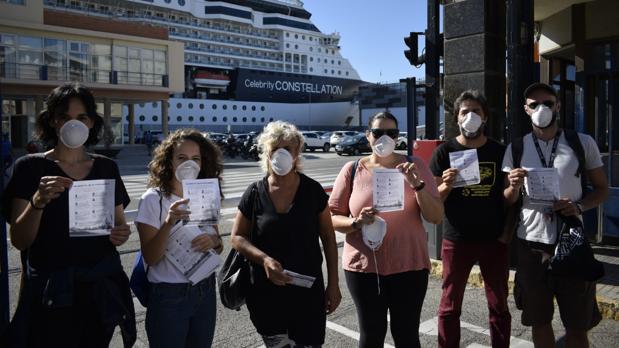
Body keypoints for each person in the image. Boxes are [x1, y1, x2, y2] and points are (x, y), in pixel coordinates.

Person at [1, 83, 135, 347]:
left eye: (81, 117)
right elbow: (19, 240)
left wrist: (121, 233)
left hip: (99, 291)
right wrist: (38, 202)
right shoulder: (29, 167)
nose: (73, 124)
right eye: (64, 117)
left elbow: (120, 224)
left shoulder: (106, 167)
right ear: (52, 121)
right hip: (51, 294)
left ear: (92, 122)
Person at [503, 82, 609, 347]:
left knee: (577, 324)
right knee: (539, 321)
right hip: (530, 244)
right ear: (526, 110)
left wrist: (580, 206)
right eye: (534, 104)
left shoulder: (581, 142)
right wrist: (513, 186)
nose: (542, 109)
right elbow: (508, 199)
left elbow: (602, 189)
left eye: (547, 103)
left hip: (570, 242)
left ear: (558, 107)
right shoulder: (516, 148)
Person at [329, 111, 444, 348]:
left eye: (391, 133)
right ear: (367, 136)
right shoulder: (352, 170)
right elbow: (331, 217)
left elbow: (435, 217)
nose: (385, 138)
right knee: (371, 336)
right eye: (378, 132)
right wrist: (355, 223)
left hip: (409, 266)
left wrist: (418, 186)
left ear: (397, 136)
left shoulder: (416, 165)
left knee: (407, 336)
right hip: (365, 268)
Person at [230, 121, 341, 347]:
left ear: (297, 152)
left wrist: (334, 285)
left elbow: (329, 238)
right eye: (275, 149)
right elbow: (237, 237)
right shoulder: (254, 192)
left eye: (287, 149)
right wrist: (265, 260)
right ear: (266, 154)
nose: (281, 155)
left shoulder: (312, 191)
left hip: (307, 294)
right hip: (265, 294)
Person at [429, 90, 511, 348]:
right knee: (450, 305)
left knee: (499, 304)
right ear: (457, 118)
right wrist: (446, 185)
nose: (471, 116)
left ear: (485, 116)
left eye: (476, 111)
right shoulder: (444, 152)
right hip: (457, 239)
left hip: (493, 239)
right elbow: (434, 199)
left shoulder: (499, 150)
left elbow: (508, 197)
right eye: (465, 112)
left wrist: (506, 233)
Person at [135, 128, 224, 348]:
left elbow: (219, 244)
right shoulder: (153, 199)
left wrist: (213, 241)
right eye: (182, 158)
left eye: (195, 158)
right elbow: (152, 258)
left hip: (205, 289)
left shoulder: (205, 193)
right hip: (169, 296)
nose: (189, 164)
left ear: (203, 162)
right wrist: (169, 222)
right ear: (169, 161)